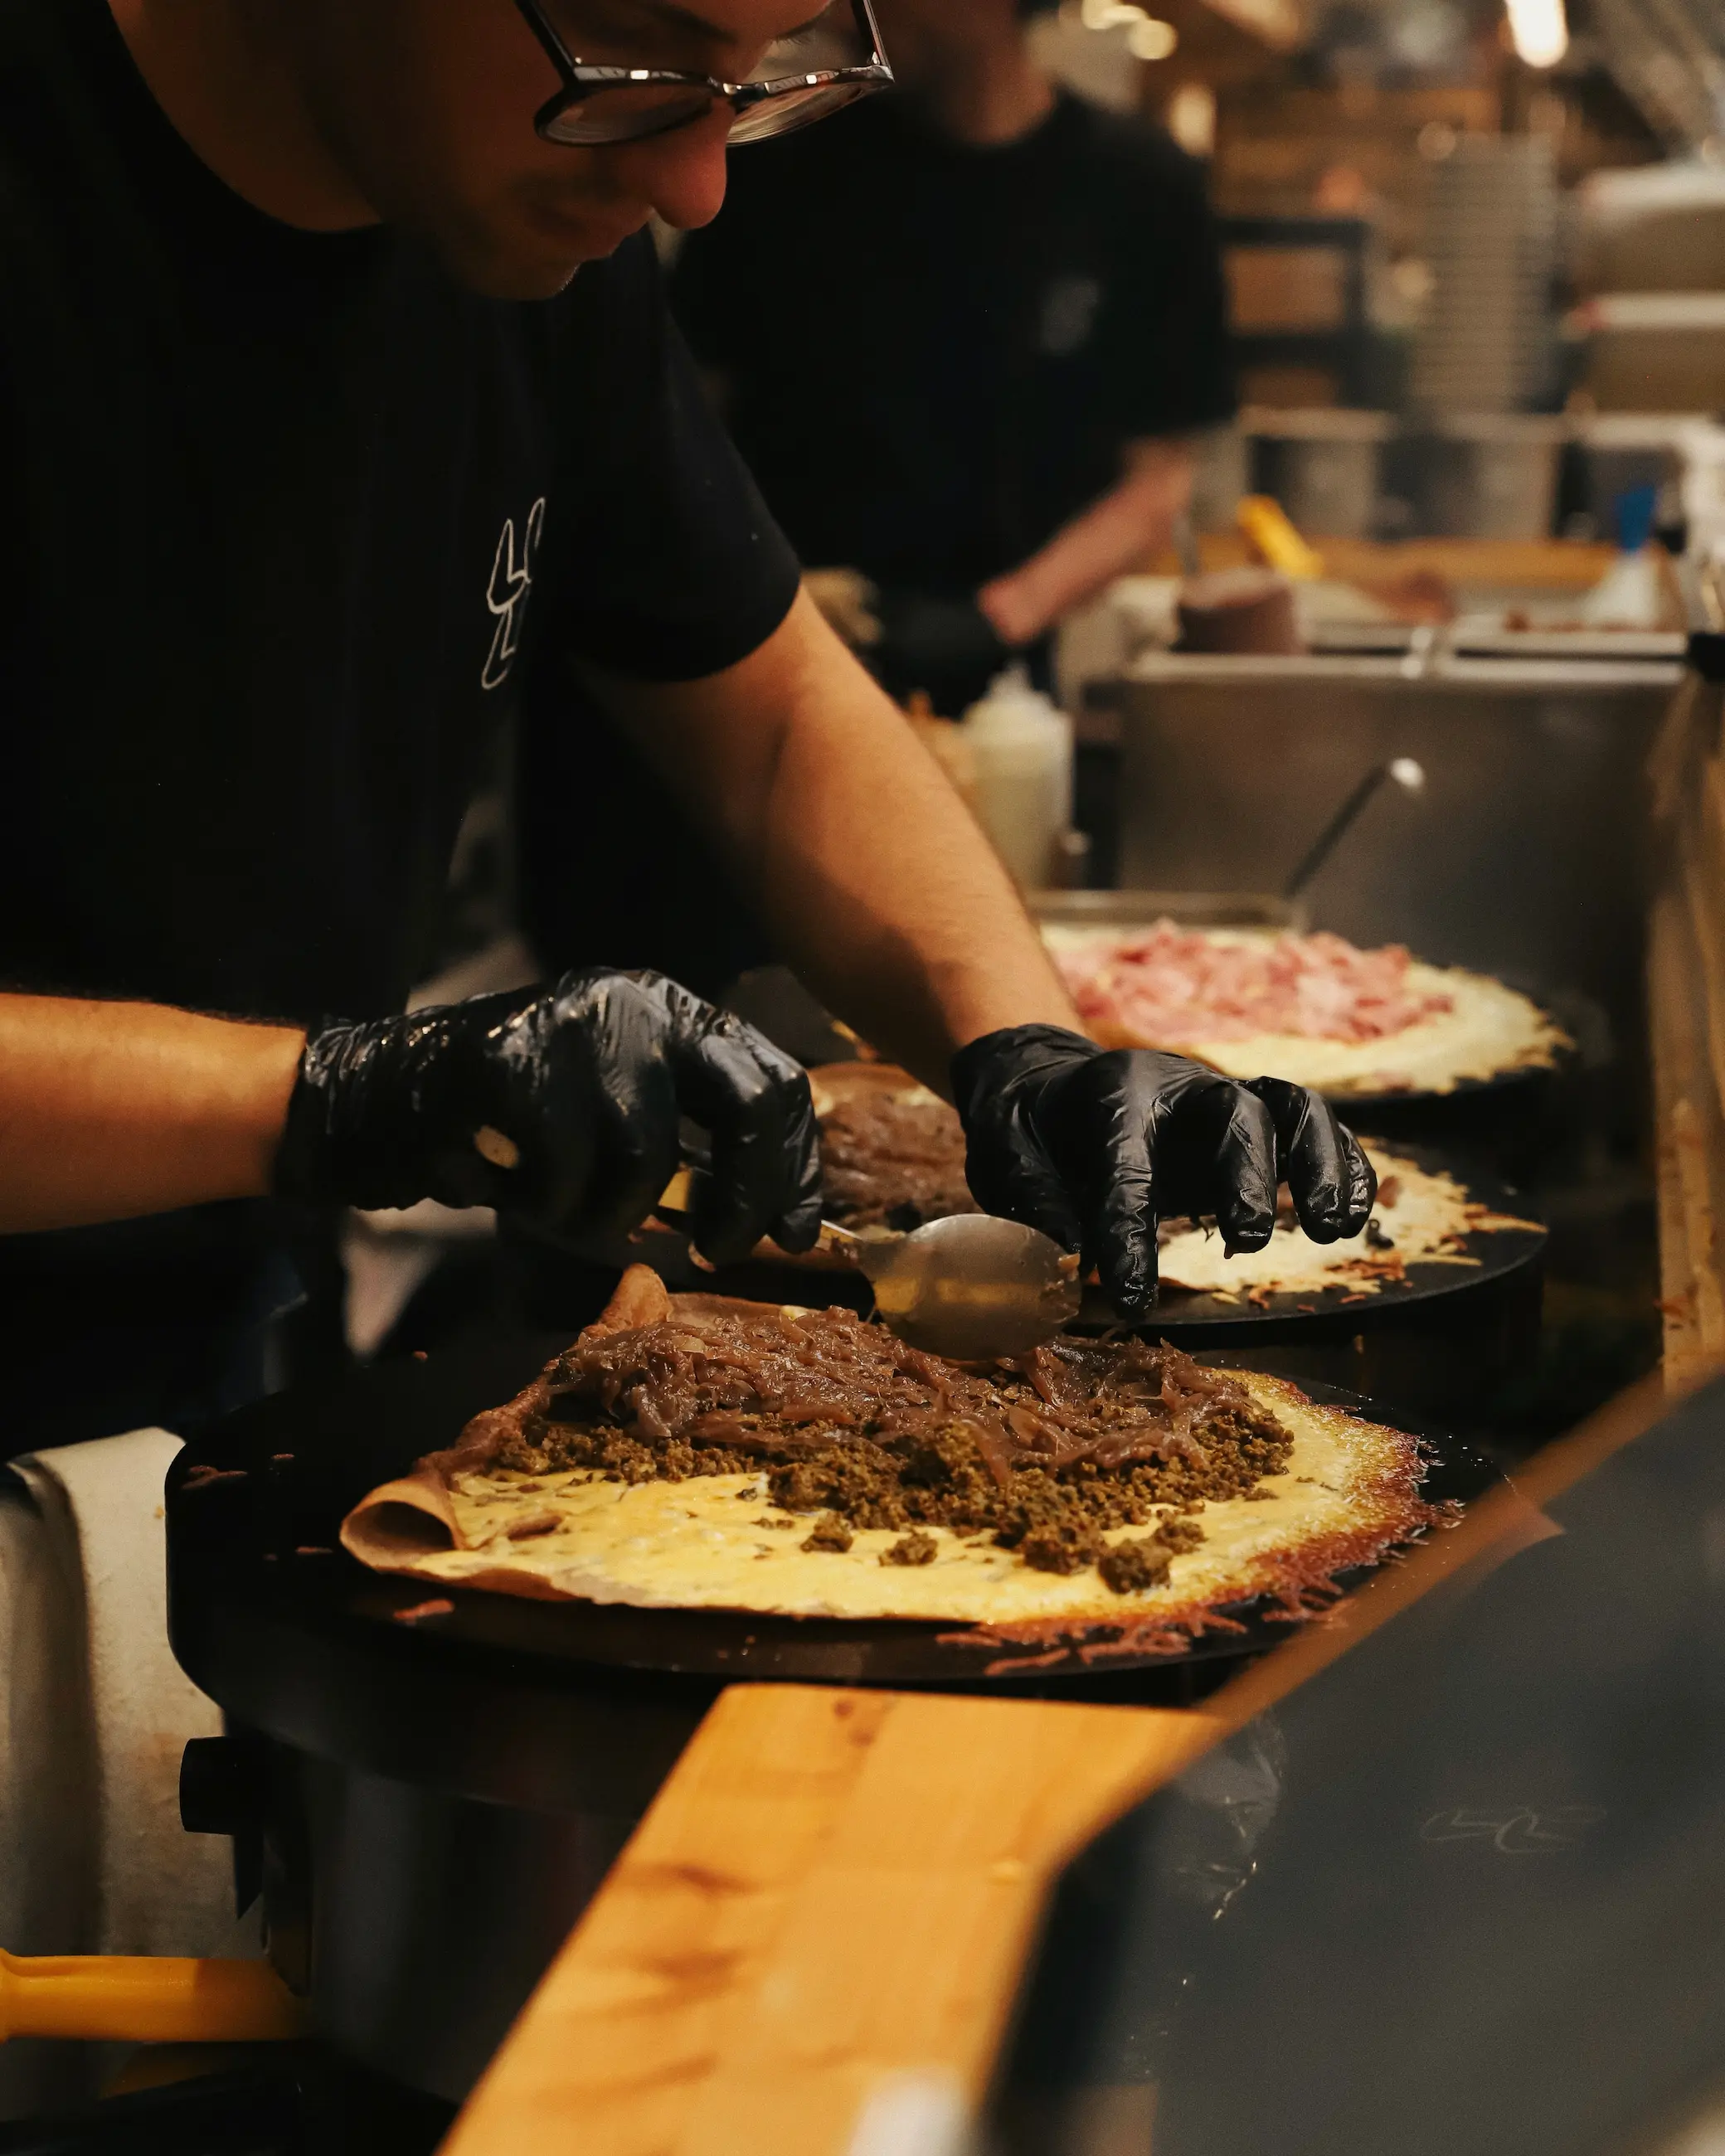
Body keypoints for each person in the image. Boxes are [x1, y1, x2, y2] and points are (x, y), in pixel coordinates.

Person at [0, 0, 1370, 1453]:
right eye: (639, 52)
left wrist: (1020, 1049)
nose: (697, 184)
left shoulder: (527, 240)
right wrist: (343, 1095)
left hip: (207, 1353)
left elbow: (777, 713)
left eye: (748, 81)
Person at [670, 0, 1237, 715]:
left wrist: (996, 618)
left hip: (1002, 702)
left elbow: (1157, 485)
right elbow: (681, 428)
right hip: (767, 669)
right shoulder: (782, 161)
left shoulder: (1142, 189)